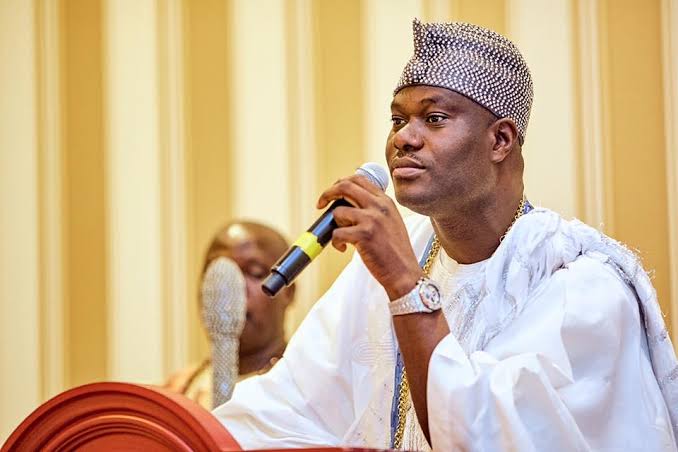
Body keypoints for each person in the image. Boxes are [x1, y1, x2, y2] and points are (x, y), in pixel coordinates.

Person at [214, 19, 678, 451]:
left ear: (500, 140)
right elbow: (286, 408)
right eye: (398, 120)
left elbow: (496, 437)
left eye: (433, 119)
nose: (404, 139)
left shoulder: (584, 285)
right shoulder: (386, 266)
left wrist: (405, 285)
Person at [164, 220, 295, 409]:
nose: (231, 287)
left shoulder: (305, 385)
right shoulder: (178, 390)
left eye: (255, 272)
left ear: (289, 293)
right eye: (216, 274)